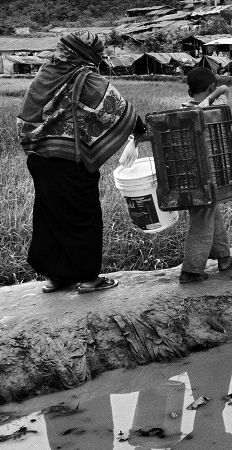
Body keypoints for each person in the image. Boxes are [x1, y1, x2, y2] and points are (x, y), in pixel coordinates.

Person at [18, 31, 143, 293]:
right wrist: (140, 129)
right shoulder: (87, 79)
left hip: (40, 158)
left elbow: (27, 116)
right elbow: (116, 110)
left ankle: (56, 277)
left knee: (50, 216)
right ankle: (89, 279)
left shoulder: (45, 74)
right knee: (83, 217)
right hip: (69, 162)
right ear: (89, 54)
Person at [178, 68, 232, 283]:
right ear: (211, 88)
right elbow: (225, 88)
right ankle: (191, 270)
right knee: (203, 219)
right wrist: (212, 97)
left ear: (189, 93)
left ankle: (223, 257)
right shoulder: (217, 109)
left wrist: (206, 98)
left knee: (211, 213)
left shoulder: (182, 111)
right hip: (209, 175)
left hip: (188, 175)